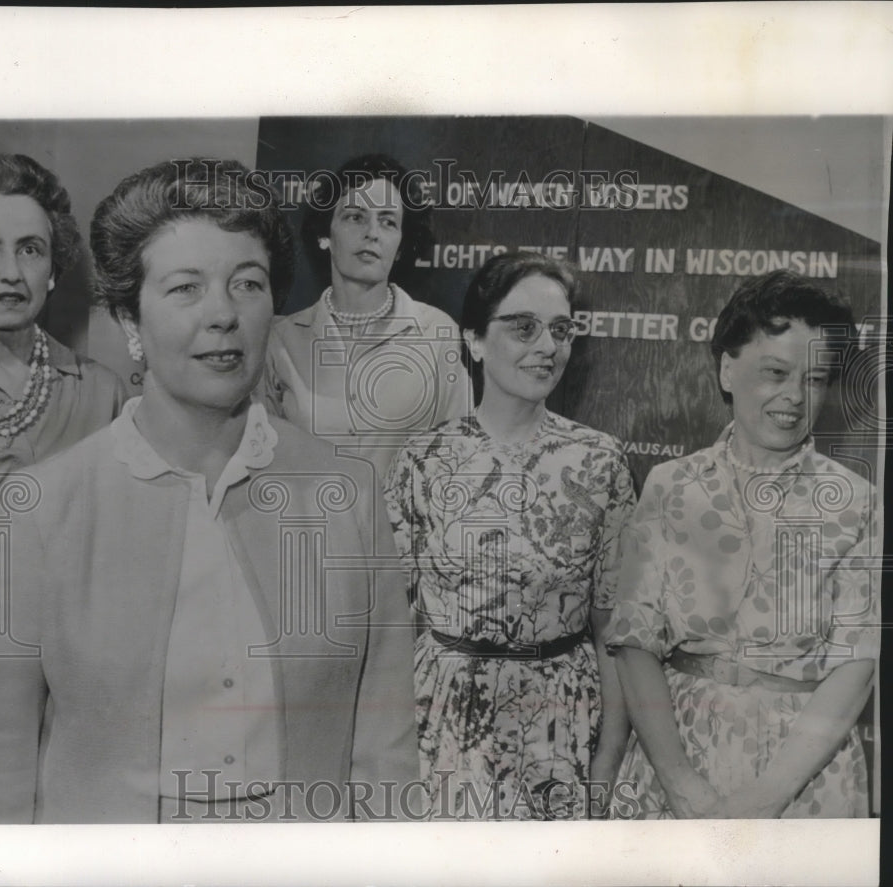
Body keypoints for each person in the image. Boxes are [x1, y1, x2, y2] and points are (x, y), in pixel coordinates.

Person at [0, 158, 418, 824]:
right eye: (186, 288)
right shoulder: (40, 509)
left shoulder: (348, 495)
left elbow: (386, 755)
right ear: (129, 321)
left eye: (247, 284)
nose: (223, 314)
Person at [605, 270, 878, 819]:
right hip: (675, 761)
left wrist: (765, 798)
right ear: (727, 369)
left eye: (815, 379)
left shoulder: (855, 501)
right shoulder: (670, 486)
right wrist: (681, 786)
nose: (795, 397)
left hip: (804, 780)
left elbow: (856, 664)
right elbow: (634, 643)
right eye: (775, 372)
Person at [384, 252, 635, 820]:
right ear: (474, 340)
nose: (547, 346)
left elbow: (614, 633)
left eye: (561, 330)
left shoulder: (599, 461)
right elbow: (392, 625)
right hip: (443, 724)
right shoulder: (423, 459)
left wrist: (608, 759)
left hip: (561, 726)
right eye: (524, 327)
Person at [0, 151, 125, 822]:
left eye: (30, 249)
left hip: (66, 685)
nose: (10, 271)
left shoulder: (103, 396)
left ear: (53, 269)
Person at [263, 153, 471, 483]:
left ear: (401, 246)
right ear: (325, 235)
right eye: (355, 217)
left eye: (388, 222)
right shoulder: (282, 339)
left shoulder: (437, 332)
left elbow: (459, 456)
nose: (372, 233)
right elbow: (261, 458)